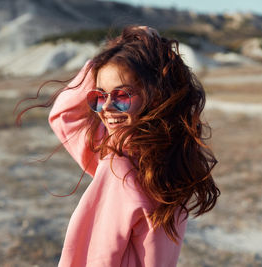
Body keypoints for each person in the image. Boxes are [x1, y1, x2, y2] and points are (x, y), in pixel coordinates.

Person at [16, 25, 220, 266]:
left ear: (154, 96)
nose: (107, 107)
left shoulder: (118, 165)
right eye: (98, 96)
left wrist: (104, 59)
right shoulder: (172, 154)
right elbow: (65, 116)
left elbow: (98, 257)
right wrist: (116, 58)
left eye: (122, 95)